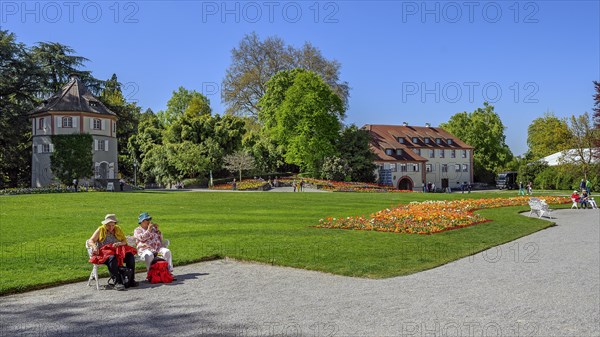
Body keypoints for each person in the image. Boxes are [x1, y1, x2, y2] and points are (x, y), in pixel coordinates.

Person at [88, 214, 138, 291]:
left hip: (118, 251)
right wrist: (94, 247)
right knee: (112, 257)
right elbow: (91, 240)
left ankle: (131, 280)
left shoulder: (117, 229)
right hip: (105, 253)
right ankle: (117, 282)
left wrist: (119, 244)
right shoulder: (100, 230)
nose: (111, 227)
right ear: (105, 224)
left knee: (130, 256)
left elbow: (124, 241)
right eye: (109, 225)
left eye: (113, 225)